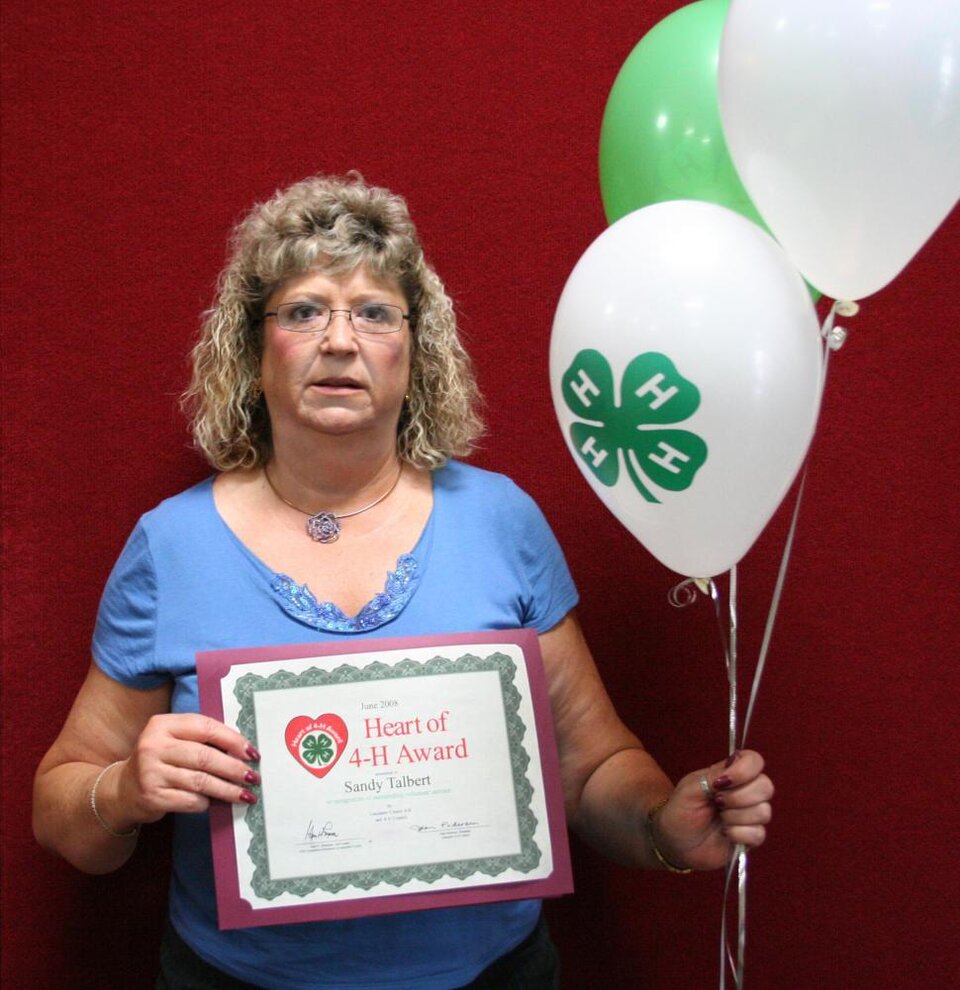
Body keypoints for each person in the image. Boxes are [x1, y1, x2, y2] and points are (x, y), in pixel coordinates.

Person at [33, 174, 774, 990]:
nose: (340, 340)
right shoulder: (170, 544)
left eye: (376, 312)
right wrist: (125, 790)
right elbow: (62, 812)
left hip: (494, 975)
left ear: (416, 354)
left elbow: (591, 767)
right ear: (251, 353)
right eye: (304, 309)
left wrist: (662, 826)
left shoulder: (500, 520)